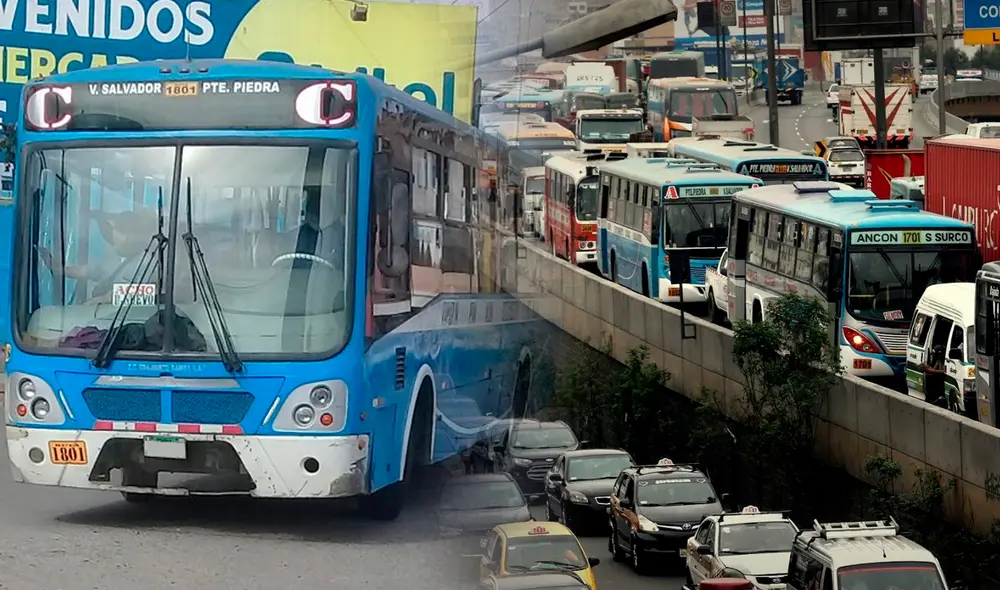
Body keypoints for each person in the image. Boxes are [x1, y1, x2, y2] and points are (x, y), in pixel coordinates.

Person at [920, 345, 948, 409]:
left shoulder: (945, 361)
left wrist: (932, 371)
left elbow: (945, 371)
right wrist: (928, 369)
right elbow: (934, 369)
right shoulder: (938, 360)